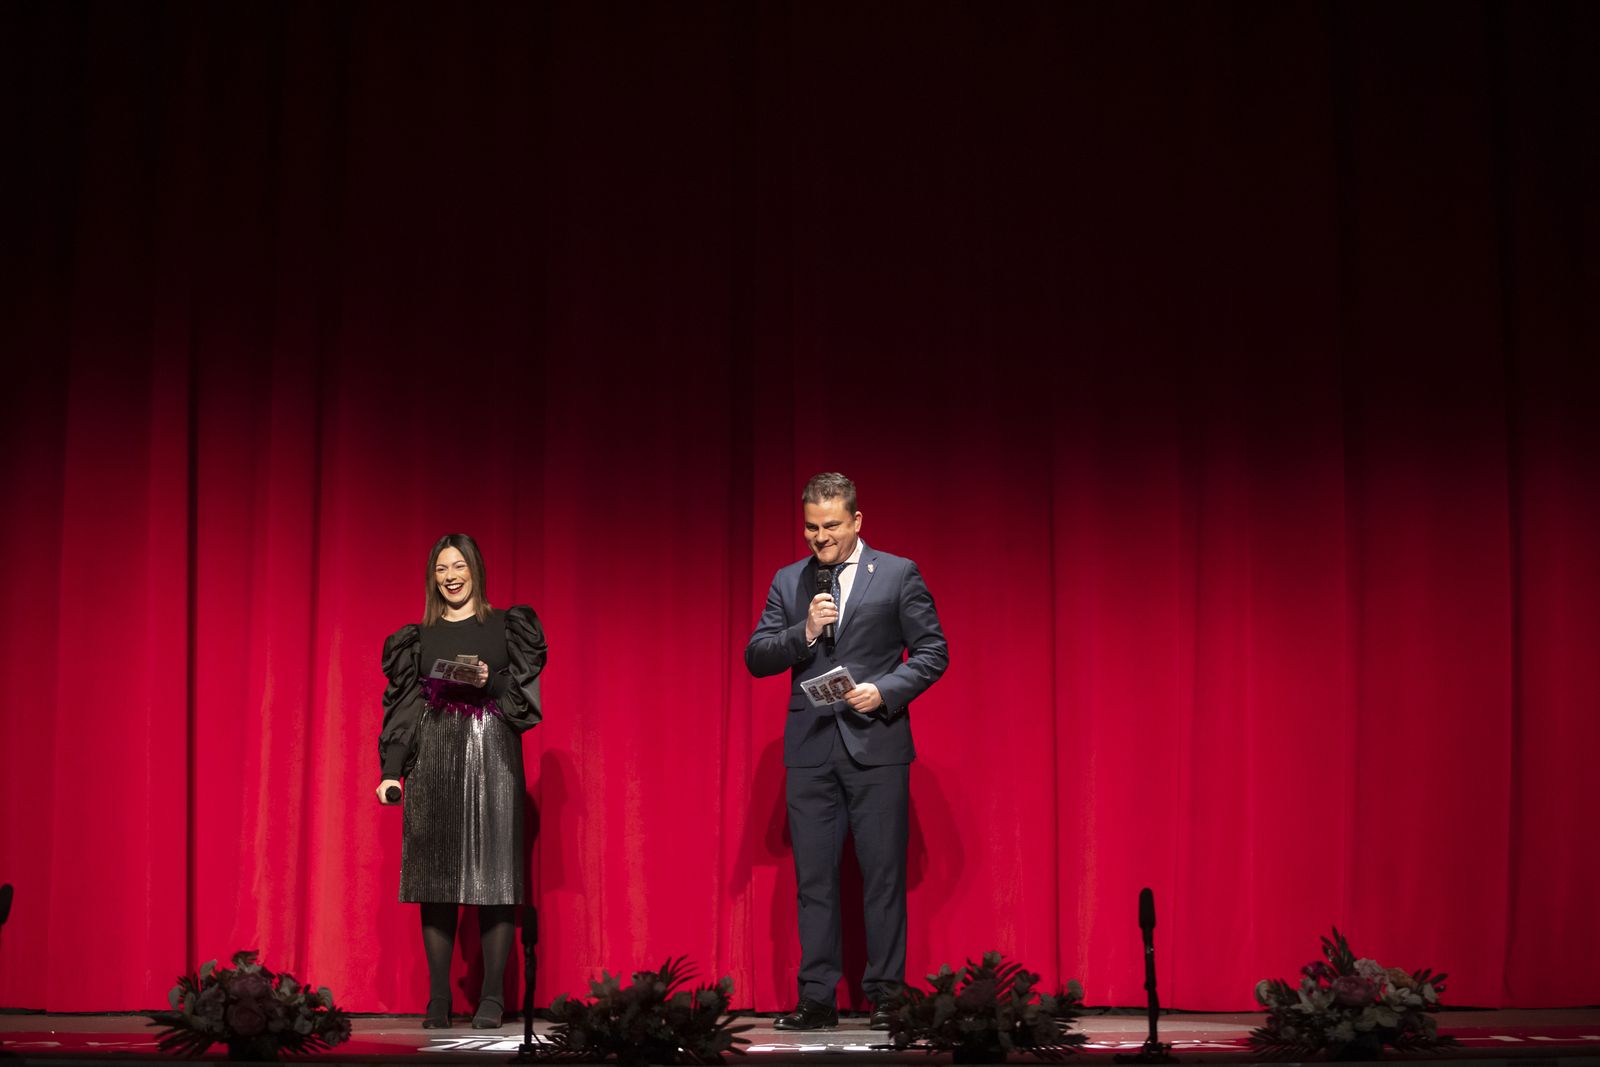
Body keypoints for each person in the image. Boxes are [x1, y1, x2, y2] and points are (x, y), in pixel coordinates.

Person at [745, 472, 949, 1031]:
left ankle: (886, 994)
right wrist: (803, 632)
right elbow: (758, 656)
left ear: (857, 521)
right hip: (810, 750)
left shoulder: (899, 574)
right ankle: (816, 997)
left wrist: (886, 690)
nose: (820, 538)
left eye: (831, 526)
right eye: (811, 527)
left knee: (882, 875)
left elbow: (933, 651)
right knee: (814, 880)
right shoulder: (789, 581)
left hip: (877, 745)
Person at [375, 533, 547, 1030]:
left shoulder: (505, 626)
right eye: (440, 569)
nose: (450, 576)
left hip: (492, 752)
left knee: (495, 879)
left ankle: (491, 996)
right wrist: (391, 772)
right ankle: (438, 1000)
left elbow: (523, 701)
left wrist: (486, 681)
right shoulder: (419, 637)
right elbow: (406, 709)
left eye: (458, 566)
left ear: (475, 569)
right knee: (436, 879)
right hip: (433, 758)